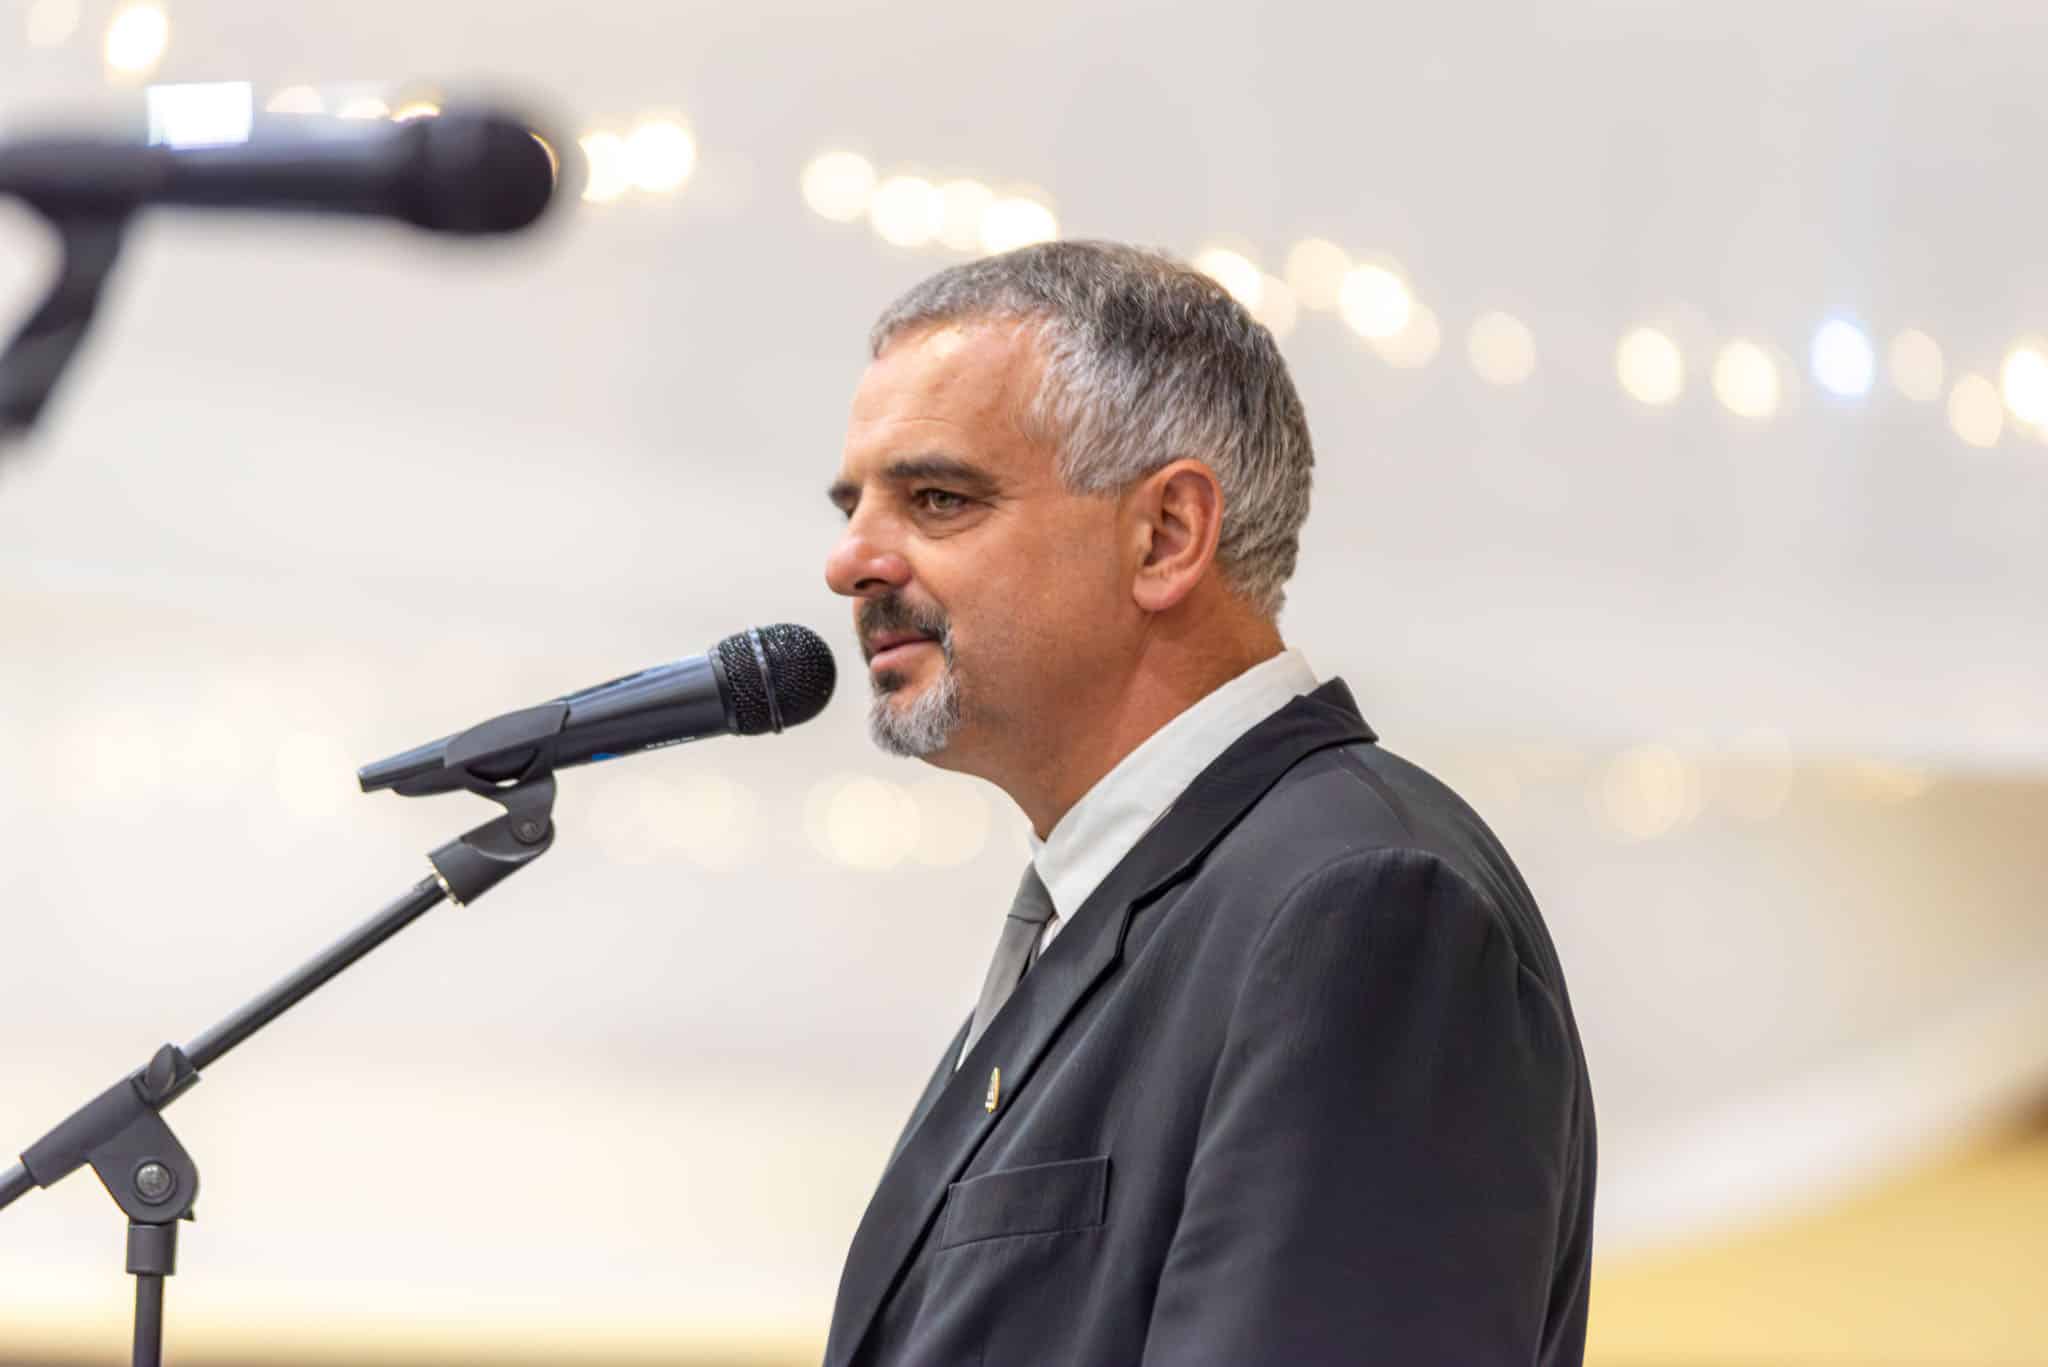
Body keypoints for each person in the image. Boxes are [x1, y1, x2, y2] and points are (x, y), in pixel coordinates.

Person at [820, 241, 1595, 1366]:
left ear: (1166, 535)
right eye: (854, 505)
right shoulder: (1141, 900)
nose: (849, 561)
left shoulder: (1361, 906)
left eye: (937, 499)